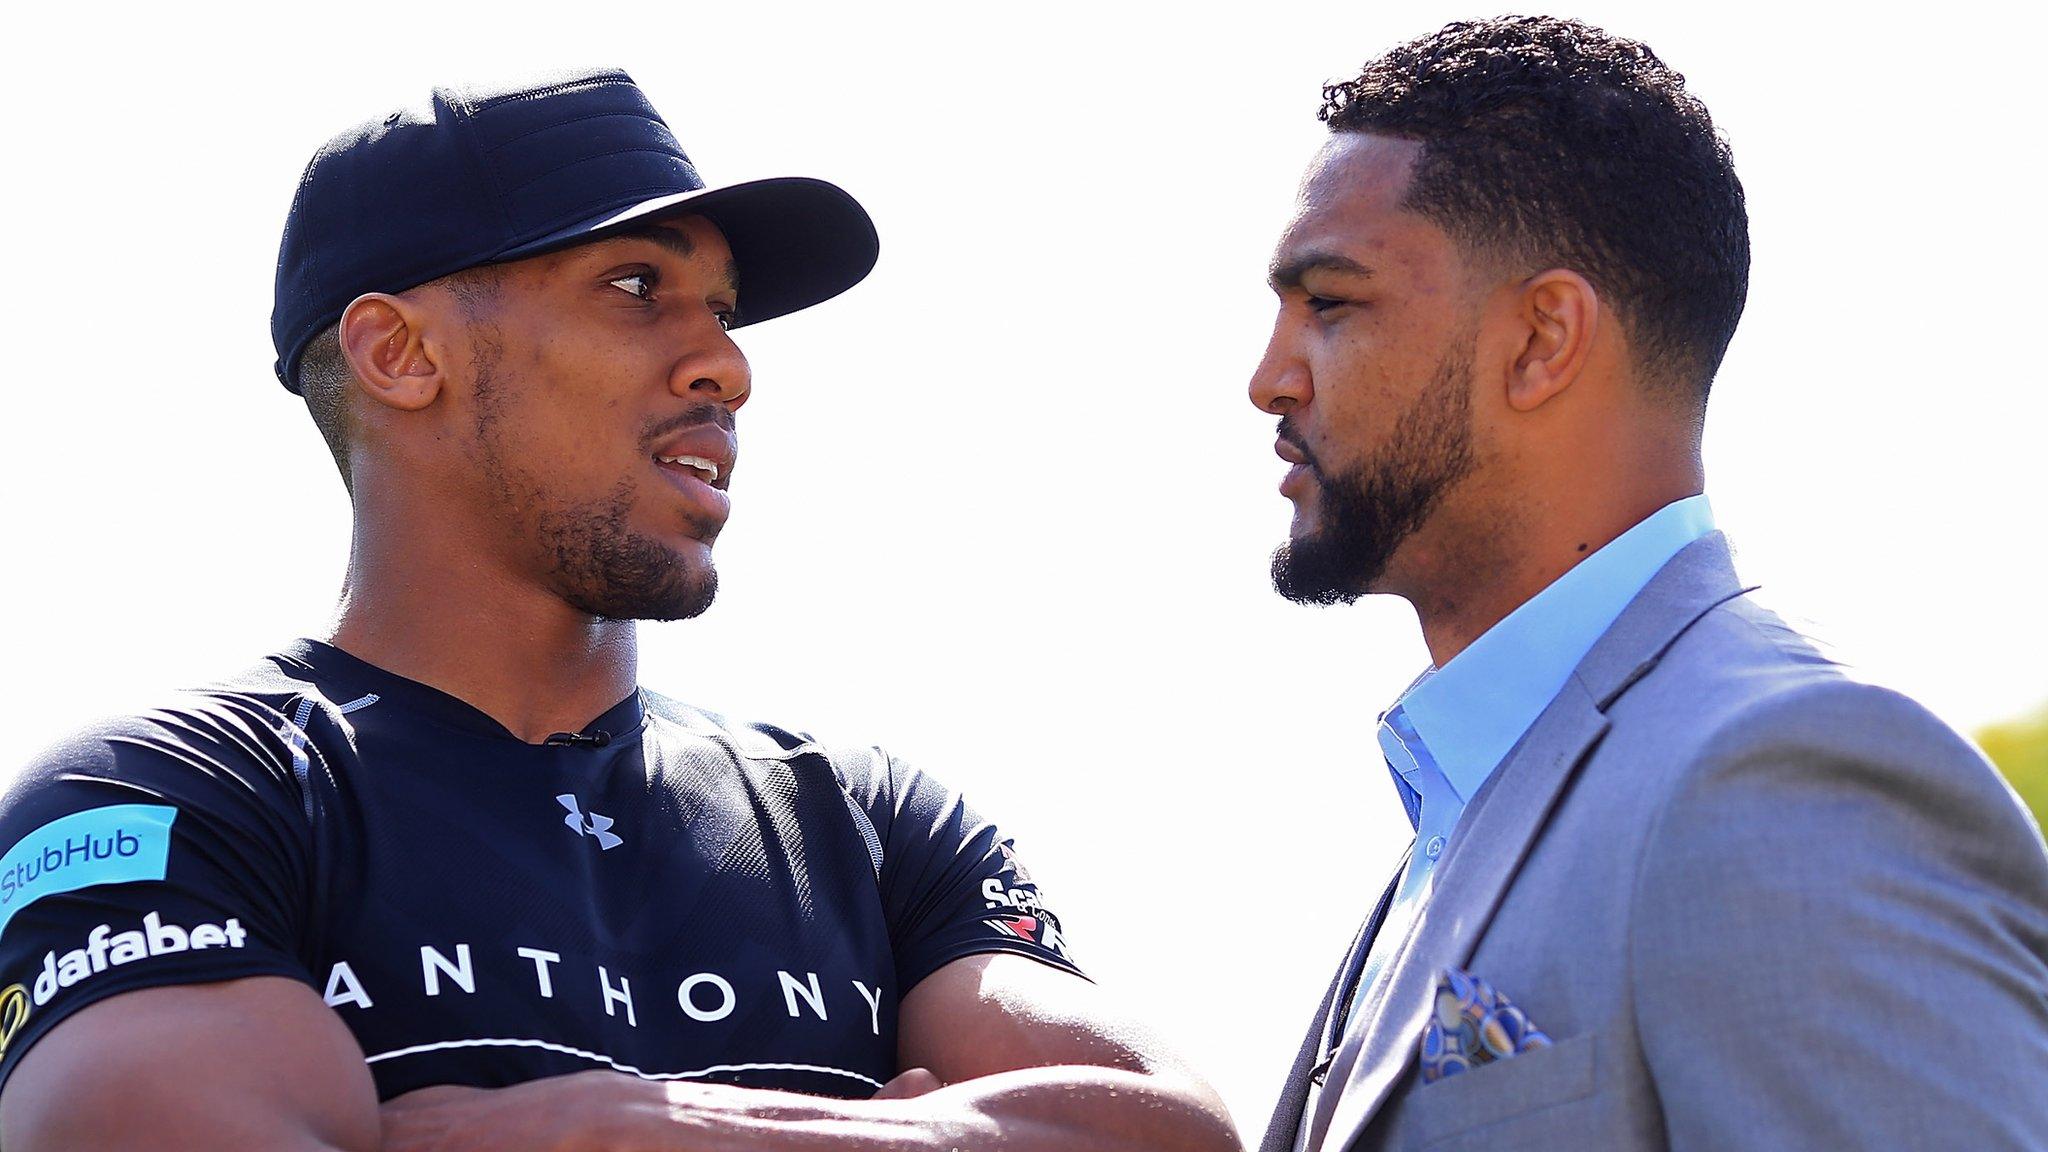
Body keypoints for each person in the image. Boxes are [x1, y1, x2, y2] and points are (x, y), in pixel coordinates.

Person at [0, 69, 1238, 1152]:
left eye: (723, 310)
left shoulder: (864, 819)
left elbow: (1182, 1133)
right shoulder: (164, 800)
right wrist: (917, 1130)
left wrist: (620, 1125)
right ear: (399, 355)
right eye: (638, 285)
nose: (728, 365)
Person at [1249, 17, 2048, 1152]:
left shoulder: (1778, 782)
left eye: (1329, 303)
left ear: (1541, 340)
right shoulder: (1476, 799)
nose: (1266, 378)